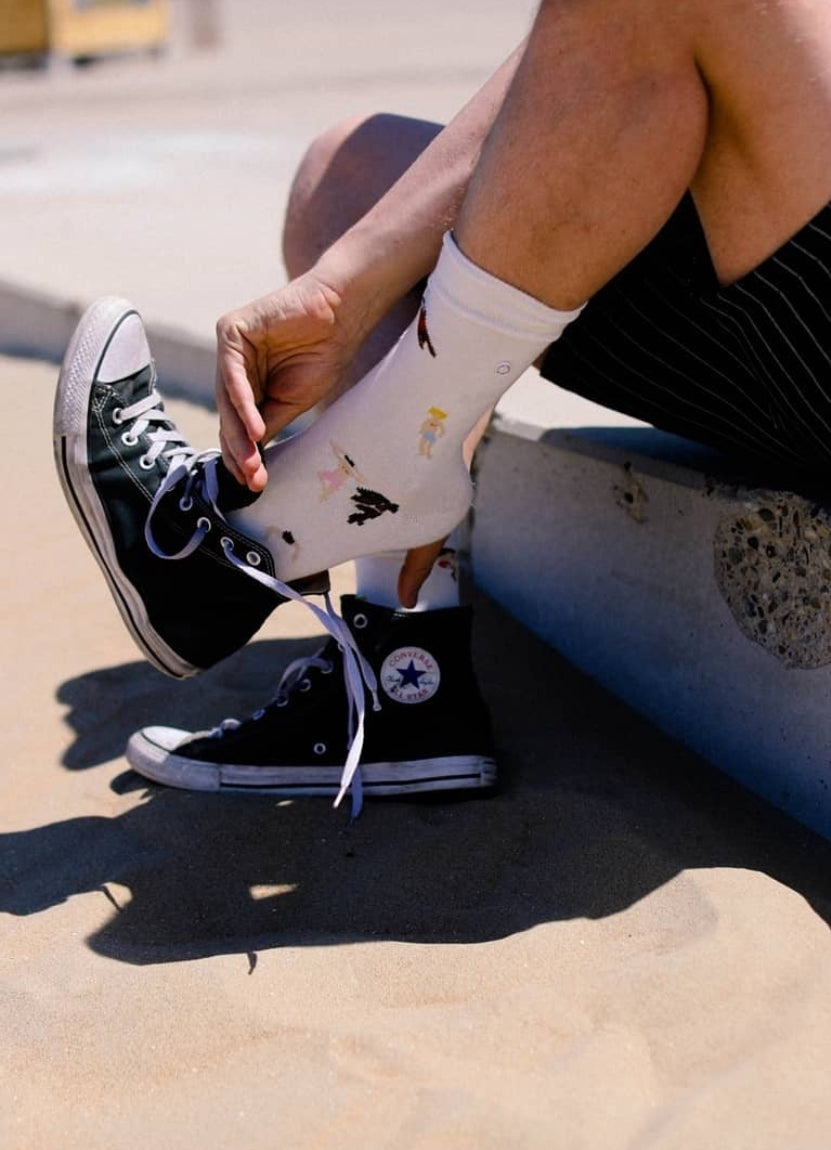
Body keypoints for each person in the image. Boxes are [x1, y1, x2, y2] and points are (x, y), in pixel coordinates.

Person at [54, 0, 831, 813]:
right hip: (773, 318)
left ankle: (244, 536)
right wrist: (342, 291)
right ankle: (407, 675)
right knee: (352, 176)